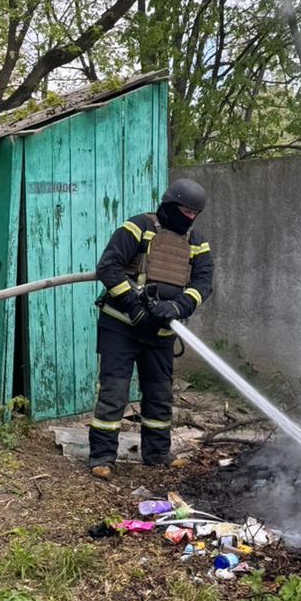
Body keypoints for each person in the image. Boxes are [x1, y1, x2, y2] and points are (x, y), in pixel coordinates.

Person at [88, 178, 214, 480]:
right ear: (170, 205)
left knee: (159, 394)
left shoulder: (197, 242)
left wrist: (178, 307)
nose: (190, 218)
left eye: (195, 214)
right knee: (114, 392)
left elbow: (203, 283)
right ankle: (102, 456)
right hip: (121, 326)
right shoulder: (139, 227)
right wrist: (135, 306)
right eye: (185, 211)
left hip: (161, 333)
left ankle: (157, 454)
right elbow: (108, 267)